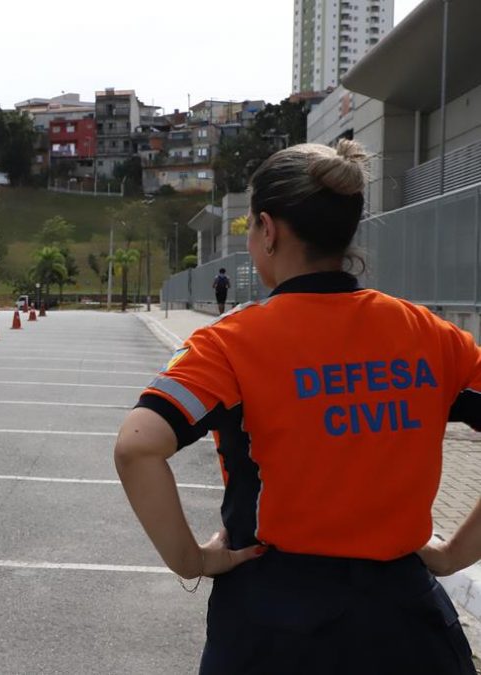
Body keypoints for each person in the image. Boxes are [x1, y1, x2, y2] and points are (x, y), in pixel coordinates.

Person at [114, 140, 479, 674]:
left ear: (268, 229)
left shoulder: (230, 343)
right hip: (407, 621)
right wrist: (453, 555)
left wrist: (192, 560)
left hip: (273, 620)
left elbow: (137, 446)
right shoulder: (430, 334)